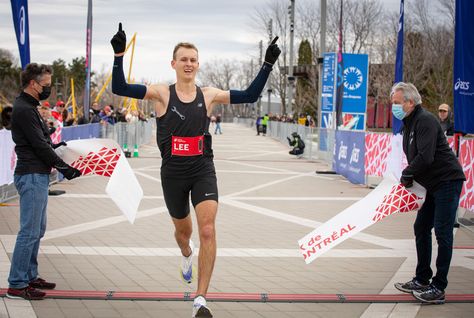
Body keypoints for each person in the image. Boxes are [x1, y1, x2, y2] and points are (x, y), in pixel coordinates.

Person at [110, 23, 280, 318]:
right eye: (183, 59)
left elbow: (251, 95)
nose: (188, 64)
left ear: (198, 64)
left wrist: (267, 64)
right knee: (183, 233)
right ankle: (186, 254)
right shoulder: (162, 93)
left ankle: (200, 299)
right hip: (172, 175)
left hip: (203, 168)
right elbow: (120, 88)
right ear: (173, 64)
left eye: (193, 59)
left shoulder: (209, 94)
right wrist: (118, 55)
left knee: (207, 229)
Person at [6, 63, 81, 301]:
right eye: (46, 85)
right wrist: (63, 168)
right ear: (33, 83)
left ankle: (29, 275)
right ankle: (17, 284)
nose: (49, 89)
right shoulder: (24, 109)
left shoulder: (30, 106)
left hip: (37, 174)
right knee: (28, 232)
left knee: (37, 229)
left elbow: (41, 140)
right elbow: (37, 145)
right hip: (31, 174)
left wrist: (57, 149)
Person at [391, 82, 465, 304]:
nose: (393, 107)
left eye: (396, 103)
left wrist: (408, 172)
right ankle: (422, 278)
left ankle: (438, 287)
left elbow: (425, 157)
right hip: (433, 185)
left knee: (442, 232)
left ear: (410, 102)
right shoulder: (408, 123)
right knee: (421, 226)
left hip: (447, 181)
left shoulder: (426, 120)